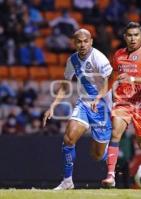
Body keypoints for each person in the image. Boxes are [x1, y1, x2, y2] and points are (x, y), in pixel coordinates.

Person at [43, 29, 113, 190]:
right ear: (74, 43)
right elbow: (65, 85)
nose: (82, 44)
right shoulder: (72, 60)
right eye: (79, 41)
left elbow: (108, 83)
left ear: (91, 42)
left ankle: (112, 156)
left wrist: (97, 98)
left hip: (102, 107)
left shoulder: (99, 58)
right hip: (84, 104)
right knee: (68, 139)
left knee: (96, 156)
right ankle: (67, 181)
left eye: (85, 41)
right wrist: (53, 106)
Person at [102, 22, 141, 187]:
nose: (133, 38)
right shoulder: (118, 54)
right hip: (123, 102)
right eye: (129, 35)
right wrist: (112, 88)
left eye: (136, 35)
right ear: (125, 37)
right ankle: (111, 176)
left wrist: (133, 79)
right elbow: (115, 76)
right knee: (115, 134)